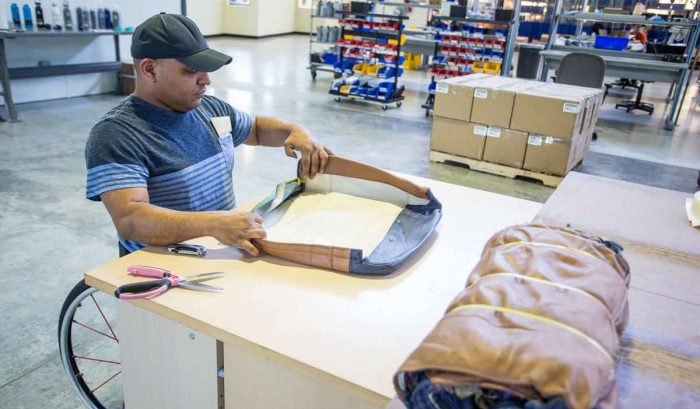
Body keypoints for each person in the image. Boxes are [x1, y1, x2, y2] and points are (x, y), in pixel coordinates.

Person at [85, 13, 333, 257]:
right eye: (191, 71)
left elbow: (256, 130)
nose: (207, 81)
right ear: (150, 69)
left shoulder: (210, 109)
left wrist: (295, 131)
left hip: (220, 250)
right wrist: (212, 224)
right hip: (163, 268)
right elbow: (131, 219)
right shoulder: (116, 134)